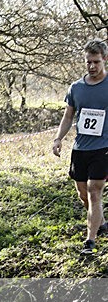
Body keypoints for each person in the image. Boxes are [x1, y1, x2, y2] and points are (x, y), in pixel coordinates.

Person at [53, 38, 108, 255]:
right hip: (81, 148)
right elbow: (68, 116)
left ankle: (90, 241)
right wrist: (58, 139)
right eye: (88, 62)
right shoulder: (76, 87)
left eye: (96, 62)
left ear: (104, 60)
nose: (92, 66)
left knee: (95, 191)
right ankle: (100, 222)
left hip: (103, 147)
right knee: (83, 193)